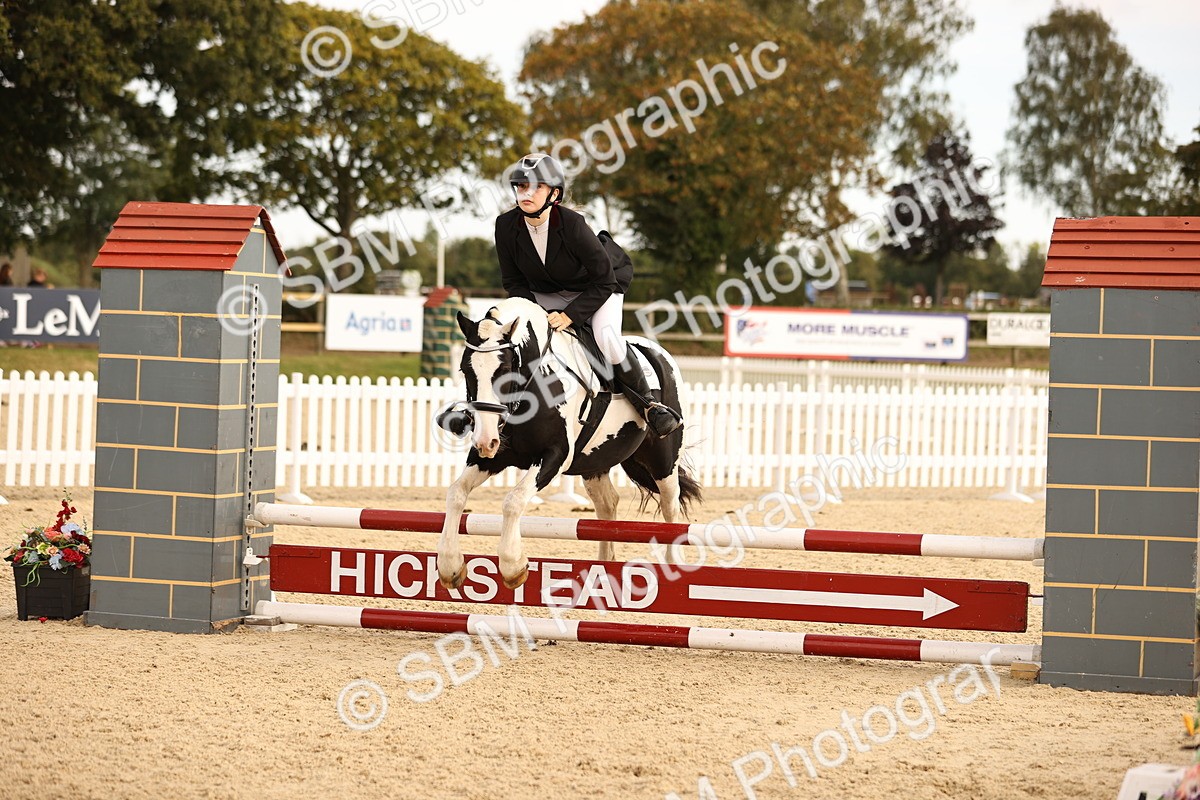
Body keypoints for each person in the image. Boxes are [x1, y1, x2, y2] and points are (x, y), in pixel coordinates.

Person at [493, 153, 681, 437]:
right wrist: (536, 315)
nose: (526, 193)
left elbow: (603, 280)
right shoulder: (505, 226)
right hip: (548, 293)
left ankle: (650, 406)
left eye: (535, 187)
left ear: (554, 193)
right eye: (521, 186)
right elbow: (514, 282)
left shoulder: (572, 224)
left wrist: (570, 316)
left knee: (606, 338)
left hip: (599, 285)